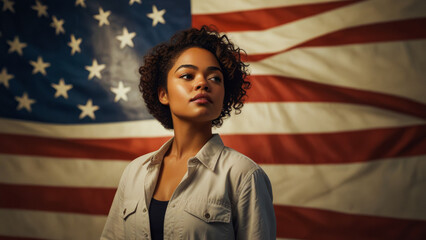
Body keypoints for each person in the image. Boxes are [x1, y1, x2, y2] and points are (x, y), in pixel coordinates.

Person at [101, 26, 276, 240]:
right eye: (187, 75)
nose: (202, 83)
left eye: (215, 78)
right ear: (163, 94)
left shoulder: (244, 175)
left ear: (224, 96)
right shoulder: (134, 173)